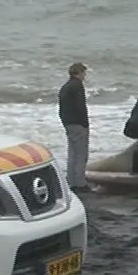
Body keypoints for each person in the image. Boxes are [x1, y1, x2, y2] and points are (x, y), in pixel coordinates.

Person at [58, 62, 91, 193]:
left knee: (72, 153)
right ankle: (80, 183)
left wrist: (65, 122)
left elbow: (61, 108)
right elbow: (80, 107)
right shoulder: (77, 86)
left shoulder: (65, 86)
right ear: (79, 72)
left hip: (68, 123)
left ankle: (71, 181)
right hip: (78, 123)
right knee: (81, 154)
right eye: (84, 73)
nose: (85, 76)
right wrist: (85, 124)